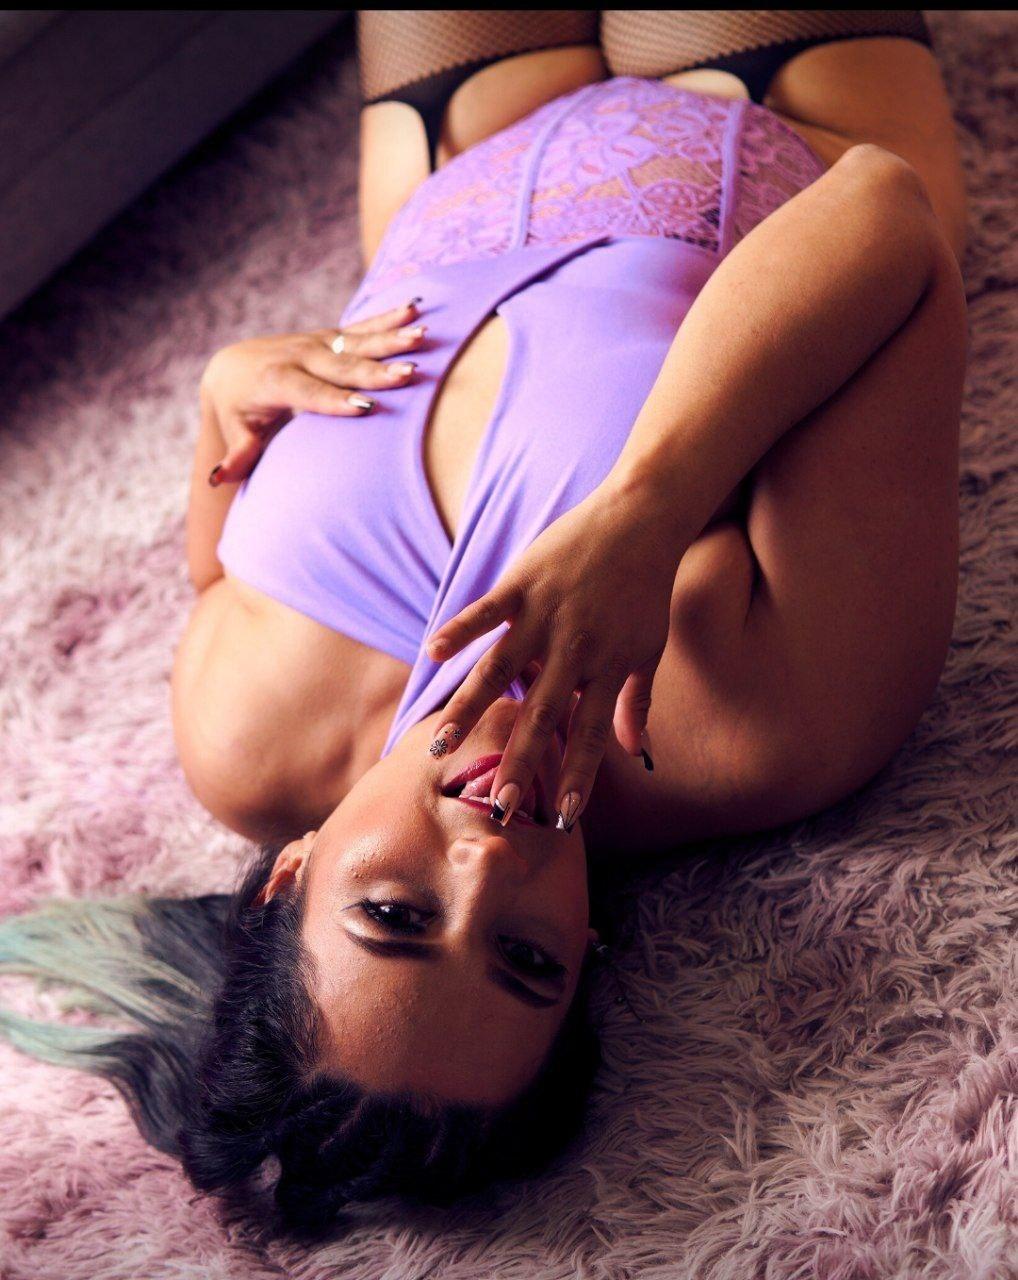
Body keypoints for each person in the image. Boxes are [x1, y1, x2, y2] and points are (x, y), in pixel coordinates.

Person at [0, 11, 967, 1238]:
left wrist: (223, 388)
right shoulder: (765, 722)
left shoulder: (239, 743)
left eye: (396, 914)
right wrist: (646, 512)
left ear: (286, 878)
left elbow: (223, 543)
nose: (488, 860)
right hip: (769, 103)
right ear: (590, 947)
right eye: (526, 956)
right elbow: (882, 211)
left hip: (448, 155)